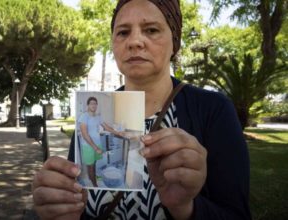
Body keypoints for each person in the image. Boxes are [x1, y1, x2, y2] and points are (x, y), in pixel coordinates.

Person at [32, 0, 251, 219]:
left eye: (152, 30)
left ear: (175, 42)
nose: (135, 41)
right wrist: (64, 211)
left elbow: (237, 213)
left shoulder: (213, 110)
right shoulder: (93, 113)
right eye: (123, 32)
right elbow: (80, 203)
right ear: (113, 44)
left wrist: (185, 208)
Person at [78, 96, 124, 187]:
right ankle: (94, 185)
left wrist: (118, 133)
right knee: (90, 166)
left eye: (95, 103)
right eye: (91, 103)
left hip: (97, 143)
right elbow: (84, 134)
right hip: (88, 145)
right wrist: (95, 148)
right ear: (88, 105)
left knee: (94, 163)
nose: (93, 105)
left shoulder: (98, 117)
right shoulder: (84, 116)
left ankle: (93, 178)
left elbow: (106, 127)